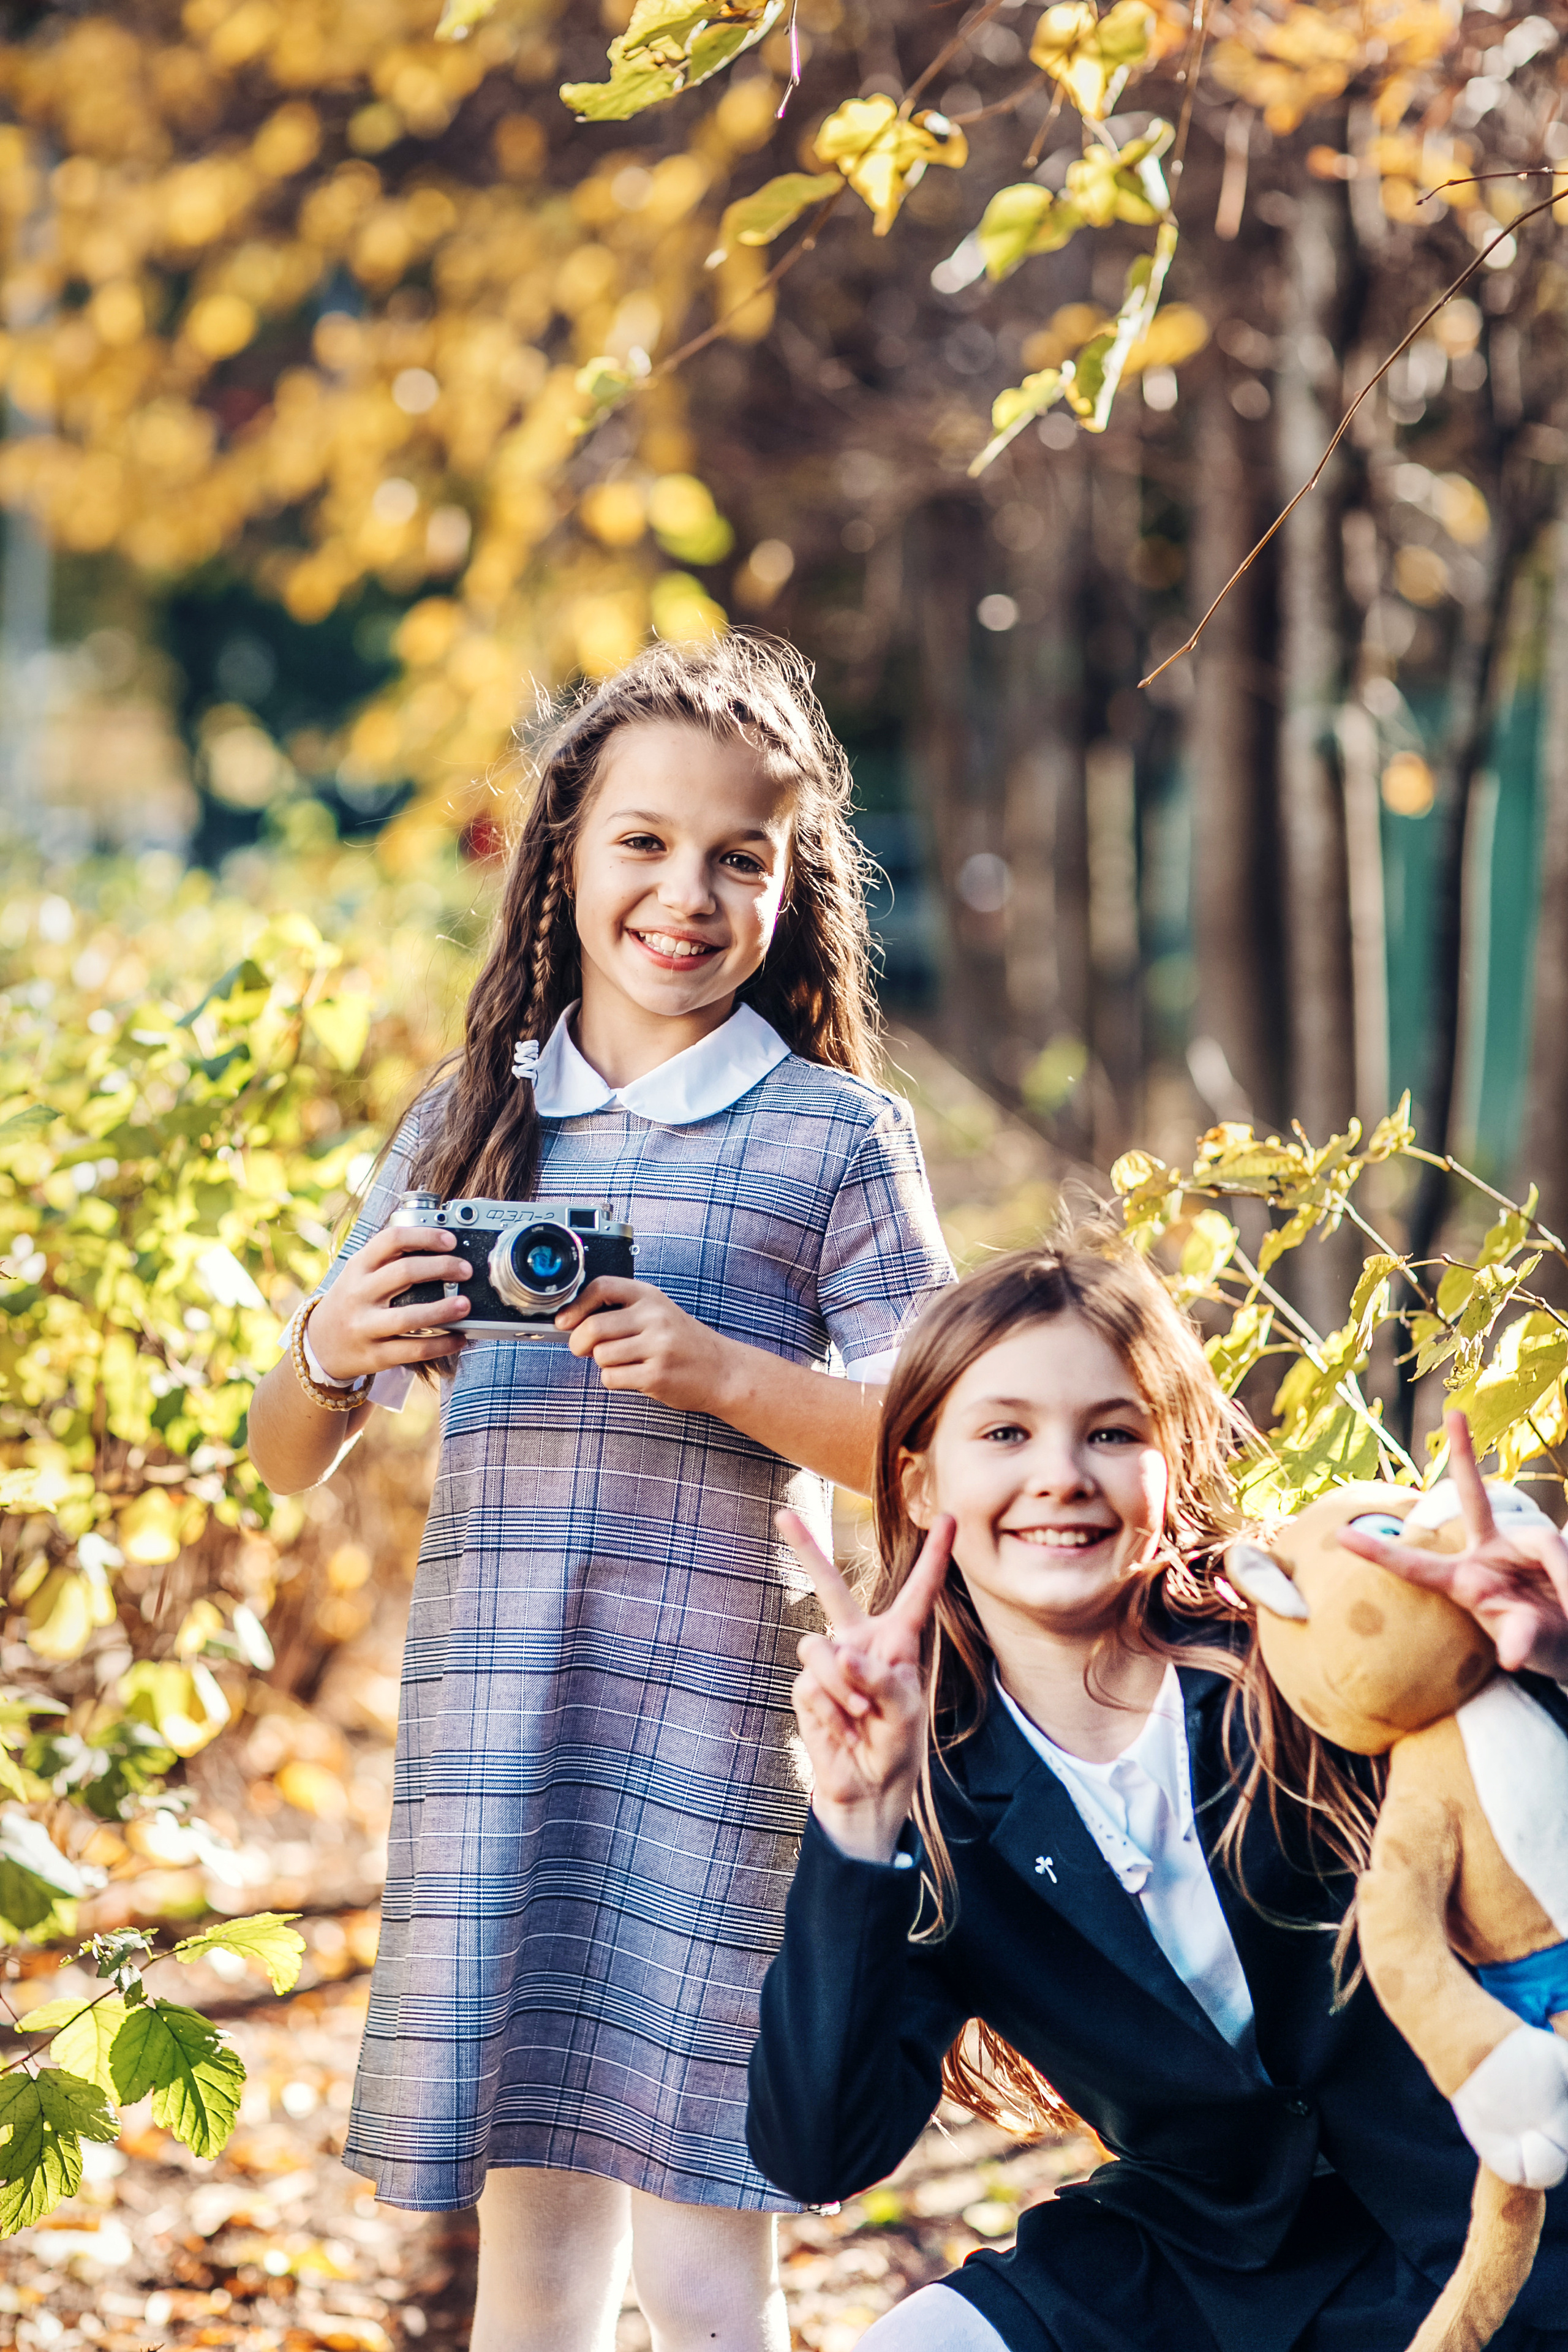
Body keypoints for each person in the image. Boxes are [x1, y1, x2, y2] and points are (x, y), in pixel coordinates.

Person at [246, 635, 952, 2352]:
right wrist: (331, 1345)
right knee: (533, 2260)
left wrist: (723, 1374)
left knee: (710, 2255)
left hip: (727, 1742)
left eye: (739, 857)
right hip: (502, 1736)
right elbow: (284, 1455)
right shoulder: (469, 1123)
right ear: (564, 853)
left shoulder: (836, 1138)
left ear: (792, 884)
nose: (686, 895)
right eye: (643, 841)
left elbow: (940, 1449)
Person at [748, 1238, 1568, 2351]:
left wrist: (1547, 1669)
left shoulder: (1314, 1652)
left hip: (1497, 2187)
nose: (1061, 1475)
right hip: (1202, 2252)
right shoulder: (925, 1792)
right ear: (920, 1480)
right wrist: (856, 1827)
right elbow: (818, 2153)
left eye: (1112, 1432)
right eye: (1005, 1433)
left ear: (1173, 1461)